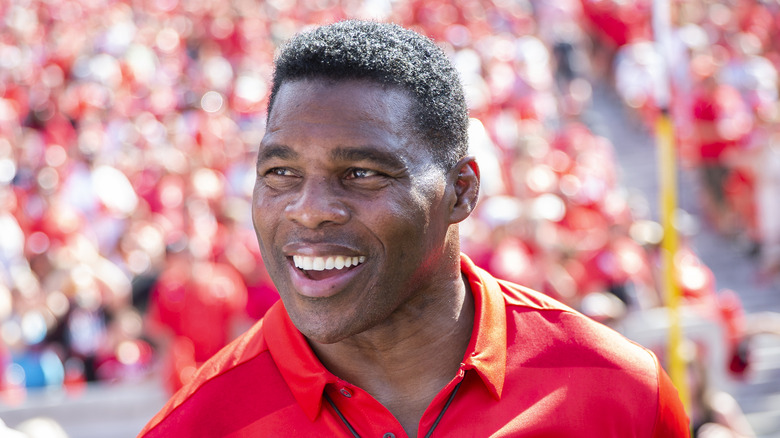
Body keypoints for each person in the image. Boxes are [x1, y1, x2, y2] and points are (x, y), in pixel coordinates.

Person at [139, 20, 689, 437]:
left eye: (361, 173)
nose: (308, 210)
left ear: (462, 190)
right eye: (280, 172)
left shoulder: (620, 391)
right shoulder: (194, 425)